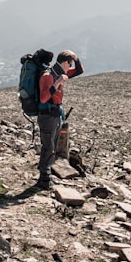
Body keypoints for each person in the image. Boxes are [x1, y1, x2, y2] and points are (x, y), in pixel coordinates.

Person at [36, 49, 84, 189]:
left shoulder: (60, 73)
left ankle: (46, 175)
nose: (70, 67)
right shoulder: (48, 75)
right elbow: (44, 98)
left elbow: (80, 70)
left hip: (55, 115)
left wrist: (75, 57)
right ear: (64, 63)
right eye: (69, 64)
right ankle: (44, 179)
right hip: (47, 115)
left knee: (53, 146)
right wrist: (57, 83)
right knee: (48, 147)